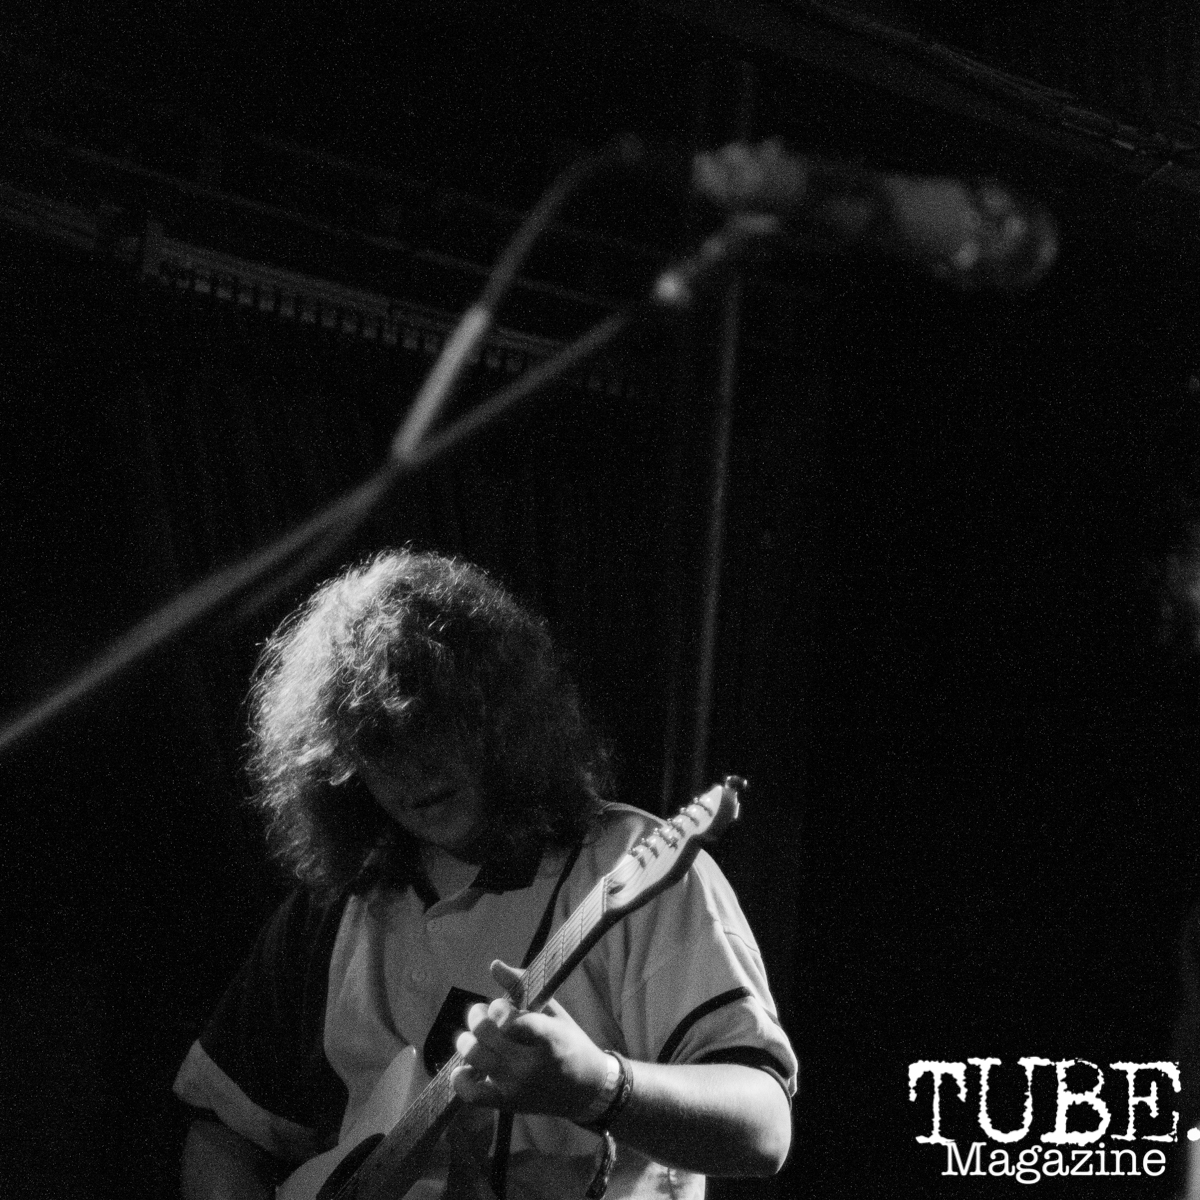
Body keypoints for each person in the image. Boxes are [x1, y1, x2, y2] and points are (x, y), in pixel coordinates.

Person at [174, 549, 796, 1199]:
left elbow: (762, 1128)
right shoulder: (333, 908)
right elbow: (223, 1131)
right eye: (376, 740)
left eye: (432, 724)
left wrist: (598, 1087)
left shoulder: (633, 866)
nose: (412, 766)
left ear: (501, 718)